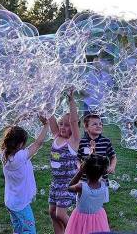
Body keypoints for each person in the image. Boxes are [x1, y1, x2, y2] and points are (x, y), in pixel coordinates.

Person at [1, 115, 49, 234]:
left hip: (11, 202)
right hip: (20, 205)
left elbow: (10, 129)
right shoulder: (20, 157)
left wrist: (19, 119)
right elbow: (38, 143)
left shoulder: (4, 153)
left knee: (18, 228)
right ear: (20, 144)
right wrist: (46, 125)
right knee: (29, 230)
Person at [47, 89, 81, 234]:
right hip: (55, 183)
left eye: (66, 125)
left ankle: (75, 231)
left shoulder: (73, 142)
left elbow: (73, 120)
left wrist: (71, 100)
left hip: (68, 184)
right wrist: (48, 95)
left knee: (61, 214)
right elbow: (50, 116)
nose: (62, 127)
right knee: (52, 212)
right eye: (61, 124)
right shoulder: (56, 136)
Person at [65, 154, 111, 233]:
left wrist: (80, 172)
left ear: (85, 170)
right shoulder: (103, 185)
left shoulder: (81, 187)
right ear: (103, 171)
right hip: (98, 218)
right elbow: (96, 166)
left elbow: (69, 187)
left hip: (80, 220)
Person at [78, 114, 117, 179]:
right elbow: (77, 158)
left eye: (100, 124)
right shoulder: (81, 142)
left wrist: (112, 167)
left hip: (102, 180)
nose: (98, 126)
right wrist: (79, 167)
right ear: (86, 128)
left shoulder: (106, 141)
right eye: (94, 124)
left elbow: (113, 157)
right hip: (85, 179)